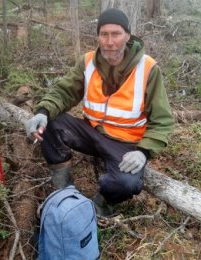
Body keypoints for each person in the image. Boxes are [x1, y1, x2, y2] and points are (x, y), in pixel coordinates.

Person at [25, 8, 174, 216]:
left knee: (126, 183)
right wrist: (42, 111)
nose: (109, 41)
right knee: (51, 122)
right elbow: (64, 92)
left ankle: (99, 206)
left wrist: (144, 152)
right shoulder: (88, 62)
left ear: (128, 36)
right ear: (98, 36)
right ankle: (64, 191)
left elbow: (163, 121)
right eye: (104, 34)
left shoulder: (148, 68)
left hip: (125, 145)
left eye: (116, 34)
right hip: (91, 132)